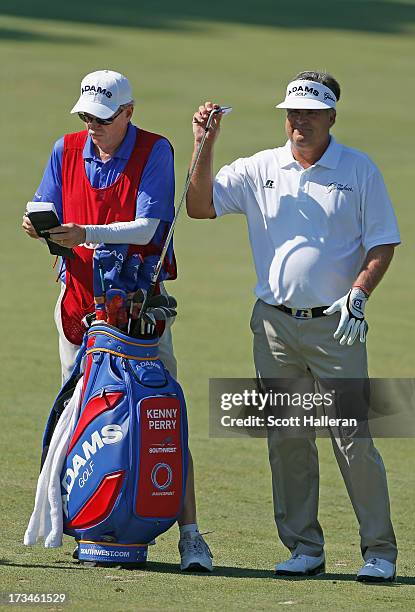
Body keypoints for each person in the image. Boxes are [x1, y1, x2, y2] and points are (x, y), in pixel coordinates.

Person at [186, 71, 400, 582]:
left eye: (309, 112)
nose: (298, 121)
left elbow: (383, 241)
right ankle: (305, 547)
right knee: (287, 438)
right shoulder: (261, 166)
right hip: (274, 329)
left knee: (352, 438)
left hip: (336, 325)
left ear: (330, 117)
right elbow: (199, 206)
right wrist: (203, 145)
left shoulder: (358, 169)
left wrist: (359, 294)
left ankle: (380, 552)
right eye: (292, 112)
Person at [22, 69, 213, 572]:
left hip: (137, 310)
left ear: (128, 112)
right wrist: (39, 224)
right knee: (77, 415)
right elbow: (48, 206)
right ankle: (82, 520)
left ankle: (190, 535)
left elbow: (149, 226)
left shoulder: (155, 150)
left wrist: (85, 230)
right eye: (87, 116)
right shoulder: (66, 149)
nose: (93, 126)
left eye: (103, 118)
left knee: (160, 414)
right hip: (78, 304)